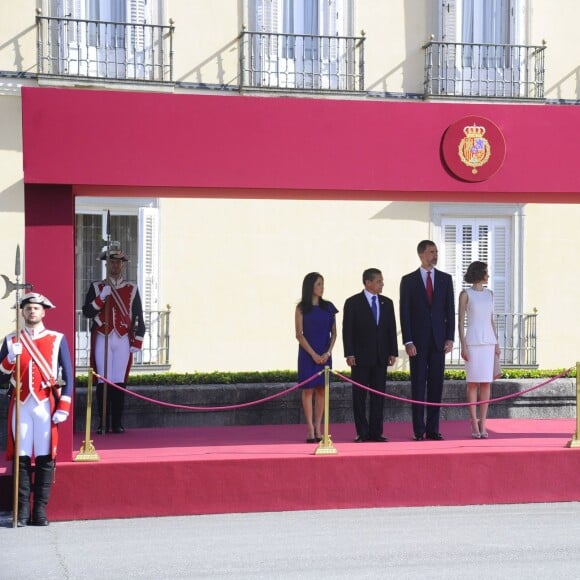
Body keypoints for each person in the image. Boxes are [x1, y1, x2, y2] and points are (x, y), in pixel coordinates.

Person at [0, 292, 73, 526]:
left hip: (45, 404)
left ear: (44, 312)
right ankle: (21, 511)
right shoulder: (11, 341)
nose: (32, 311)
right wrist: (10, 358)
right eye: (28, 308)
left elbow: (69, 376)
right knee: (21, 458)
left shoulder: (57, 338)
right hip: (20, 405)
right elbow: (0, 378)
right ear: (22, 312)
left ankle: (40, 510)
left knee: (44, 455)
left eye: (36, 308)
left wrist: (64, 404)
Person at [82, 245, 145, 434]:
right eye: (112, 262)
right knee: (103, 380)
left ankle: (117, 422)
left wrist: (137, 341)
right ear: (107, 264)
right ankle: (103, 422)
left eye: (118, 262)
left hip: (123, 338)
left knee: (119, 381)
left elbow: (138, 317)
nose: (115, 265)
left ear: (123, 266)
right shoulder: (97, 287)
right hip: (103, 336)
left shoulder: (132, 289)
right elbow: (87, 312)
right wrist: (101, 298)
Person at [400, 240, 455, 441]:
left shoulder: (445, 279)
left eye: (436, 251)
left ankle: (433, 429)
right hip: (418, 343)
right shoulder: (408, 281)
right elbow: (404, 313)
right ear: (421, 254)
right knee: (418, 384)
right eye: (432, 251)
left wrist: (450, 337)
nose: (435, 255)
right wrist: (408, 341)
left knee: (436, 385)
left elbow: (450, 310)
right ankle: (418, 430)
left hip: (439, 342)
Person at [343, 268, 398, 442]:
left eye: (382, 281)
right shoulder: (353, 302)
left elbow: (390, 328)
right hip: (360, 357)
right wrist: (349, 353)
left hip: (381, 357)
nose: (382, 284)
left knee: (378, 396)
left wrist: (392, 352)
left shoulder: (386, 303)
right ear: (368, 282)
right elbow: (347, 330)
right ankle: (362, 432)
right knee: (359, 396)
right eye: (379, 281)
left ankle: (376, 432)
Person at [458, 261, 500, 439]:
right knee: (473, 383)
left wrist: (497, 343)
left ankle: (484, 423)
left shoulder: (490, 294)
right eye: (486, 272)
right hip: (473, 342)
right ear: (478, 274)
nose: (488, 275)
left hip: (488, 342)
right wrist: (463, 345)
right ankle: (474, 422)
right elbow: (460, 322)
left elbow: (491, 320)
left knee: (486, 383)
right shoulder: (465, 294)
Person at [295, 272, 338, 443]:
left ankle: (319, 427)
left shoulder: (328, 307)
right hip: (307, 353)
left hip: (325, 353)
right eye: (319, 284)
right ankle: (310, 429)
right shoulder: (301, 308)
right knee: (308, 389)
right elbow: (299, 334)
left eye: (323, 284)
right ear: (310, 286)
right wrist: (313, 354)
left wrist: (327, 353)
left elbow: (334, 333)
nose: (322, 287)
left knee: (322, 389)